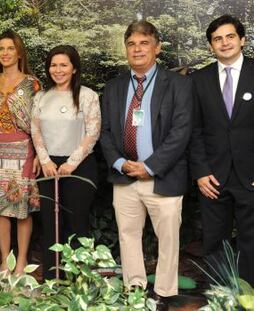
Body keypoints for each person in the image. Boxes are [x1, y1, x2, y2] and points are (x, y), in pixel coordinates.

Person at [100, 21, 192, 305]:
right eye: (131, 44)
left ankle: (163, 294)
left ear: (157, 48)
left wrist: (149, 166)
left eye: (144, 43)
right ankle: (135, 290)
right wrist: (120, 162)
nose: (137, 49)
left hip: (162, 177)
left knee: (168, 241)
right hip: (125, 176)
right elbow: (105, 132)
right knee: (127, 237)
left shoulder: (178, 84)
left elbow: (181, 131)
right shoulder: (114, 87)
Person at [190, 15, 254, 286]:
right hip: (212, 178)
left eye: (230, 37)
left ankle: (249, 296)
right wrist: (201, 172)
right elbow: (192, 130)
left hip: (250, 175)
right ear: (210, 46)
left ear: (242, 40)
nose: (224, 43)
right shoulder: (197, 80)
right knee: (214, 239)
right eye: (217, 39)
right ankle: (218, 297)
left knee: (252, 241)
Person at [31, 45, 101, 280]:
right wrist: (45, 160)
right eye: (53, 65)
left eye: (64, 65)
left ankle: (79, 279)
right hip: (49, 167)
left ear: (74, 69)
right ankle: (53, 279)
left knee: (77, 222)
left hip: (79, 167)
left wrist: (71, 163)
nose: (58, 70)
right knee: (51, 225)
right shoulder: (41, 96)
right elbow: (35, 130)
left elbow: (92, 133)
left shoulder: (88, 96)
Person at [0, 30, 40, 275]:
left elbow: (40, 121)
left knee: (21, 208)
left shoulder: (31, 84)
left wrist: (39, 153)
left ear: (19, 52)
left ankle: (22, 260)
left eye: (10, 48)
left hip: (23, 150)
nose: (5, 53)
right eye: (1, 49)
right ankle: (6, 260)